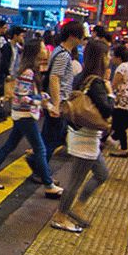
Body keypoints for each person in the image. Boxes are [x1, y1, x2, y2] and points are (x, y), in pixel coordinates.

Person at [0, 38, 64, 197]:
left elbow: (31, 94)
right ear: (35, 51)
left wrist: (44, 100)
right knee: (39, 149)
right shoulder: (28, 72)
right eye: (42, 47)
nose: (46, 50)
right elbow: (21, 96)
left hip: (23, 115)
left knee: (10, 145)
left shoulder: (31, 70)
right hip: (25, 115)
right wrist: (41, 101)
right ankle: (48, 184)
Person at [51, 39, 113, 233]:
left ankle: (77, 208)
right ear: (101, 58)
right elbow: (108, 110)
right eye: (107, 55)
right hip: (86, 139)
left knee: (102, 174)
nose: (109, 58)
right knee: (75, 181)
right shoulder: (98, 83)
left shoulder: (81, 77)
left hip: (83, 135)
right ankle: (61, 216)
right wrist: (110, 92)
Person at [34, 21, 85, 174]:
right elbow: (55, 78)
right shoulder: (63, 55)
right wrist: (56, 105)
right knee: (52, 139)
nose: (83, 39)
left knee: (49, 137)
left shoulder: (59, 51)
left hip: (57, 100)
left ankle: (38, 166)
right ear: (72, 36)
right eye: (81, 35)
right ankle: (39, 171)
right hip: (59, 101)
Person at [108, 46, 128, 158]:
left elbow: (114, 84)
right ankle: (117, 143)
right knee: (119, 124)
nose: (111, 58)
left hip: (121, 99)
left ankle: (123, 148)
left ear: (118, 57)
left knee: (118, 125)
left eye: (113, 55)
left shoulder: (121, 67)